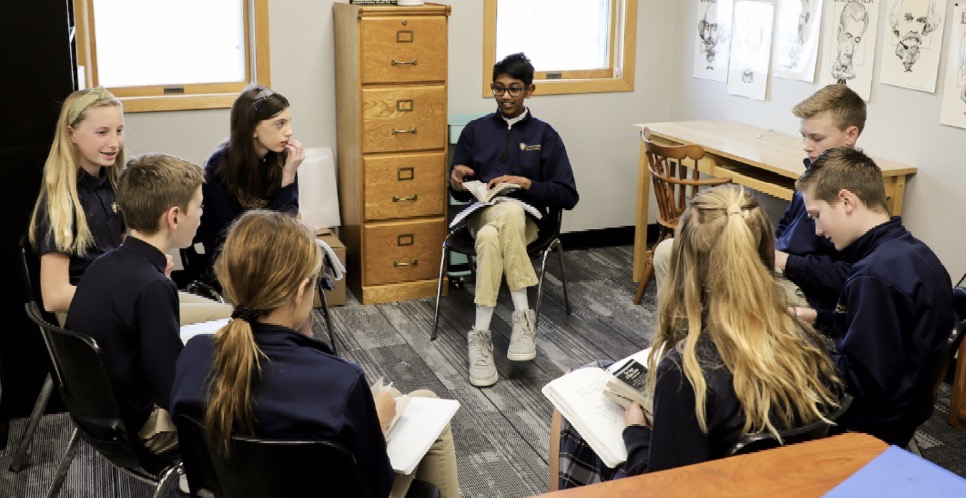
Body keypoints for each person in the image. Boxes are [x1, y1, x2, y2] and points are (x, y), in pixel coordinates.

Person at [552, 184, 843, 488]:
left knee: (570, 409)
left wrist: (636, 432)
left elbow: (665, 490)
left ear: (687, 267)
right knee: (596, 368)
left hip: (706, 488)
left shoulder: (685, 373)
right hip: (781, 485)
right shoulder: (808, 341)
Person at [170, 210, 460, 498]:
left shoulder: (193, 357)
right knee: (426, 404)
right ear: (300, 291)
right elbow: (376, 486)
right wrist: (380, 423)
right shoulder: (339, 382)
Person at [653, 83, 865, 324]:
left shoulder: (855, 191)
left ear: (850, 135)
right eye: (804, 136)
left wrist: (784, 261)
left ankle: (709, 344)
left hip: (802, 289)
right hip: (776, 267)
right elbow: (785, 226)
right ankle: (680, 341)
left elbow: (849, 275)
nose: (806, 146)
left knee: (714, 279)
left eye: (816, 138)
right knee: (669, 252)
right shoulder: (814, 173)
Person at [28, 87, 229, 326]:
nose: (114, 142)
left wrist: (150, 266)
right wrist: (131, 289)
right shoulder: (60, 204)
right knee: (225, 319)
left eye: (119, 130)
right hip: (90, 313)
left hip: (123, 296)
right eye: (102, 132)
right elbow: (54, 298)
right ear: (71, 133)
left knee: (225, 310)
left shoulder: (111, 187)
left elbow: (125, 252)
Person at [797, 147, 956, 446]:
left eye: (817, 216)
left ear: (846, 201)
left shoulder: (872, 277)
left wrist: (795, 357)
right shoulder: (914, 252)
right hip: (907, 408)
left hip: (871, 425)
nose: (817, 230)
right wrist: (818, 317)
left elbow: (862, 382)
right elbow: (885, 334)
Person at [449, 52, 579, 387]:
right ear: (492, 87)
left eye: (514, 89)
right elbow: (462, 190)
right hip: (481, 214)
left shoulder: (545, 135)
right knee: (501, 214)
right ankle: (523, 318)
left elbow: (568, 195)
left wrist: (526, 184)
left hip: (529, 222)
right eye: (499, 88)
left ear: (530, 91)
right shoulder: (475, 131)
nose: (506, 96)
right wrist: (457, 181)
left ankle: (479, 334)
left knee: (496, 233)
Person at [65, 153, 210, 453]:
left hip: (97, 415)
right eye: (199, 207)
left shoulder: (103, 264)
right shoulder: (153, 286)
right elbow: (173, 392)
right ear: (174, 217)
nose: (202, 215)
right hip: (141, 429)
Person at [191, 84, 305, 290]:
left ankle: (295, 323)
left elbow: (287, 218)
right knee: (292, 268)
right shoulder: (219, 167)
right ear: (252, 128)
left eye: (288, 122)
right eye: (279, 124)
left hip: (270, 245)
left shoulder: (282, 158)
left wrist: (288, 175)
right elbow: (231, 239)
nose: (290, 132)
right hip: (232, 257)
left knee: (304, 251)